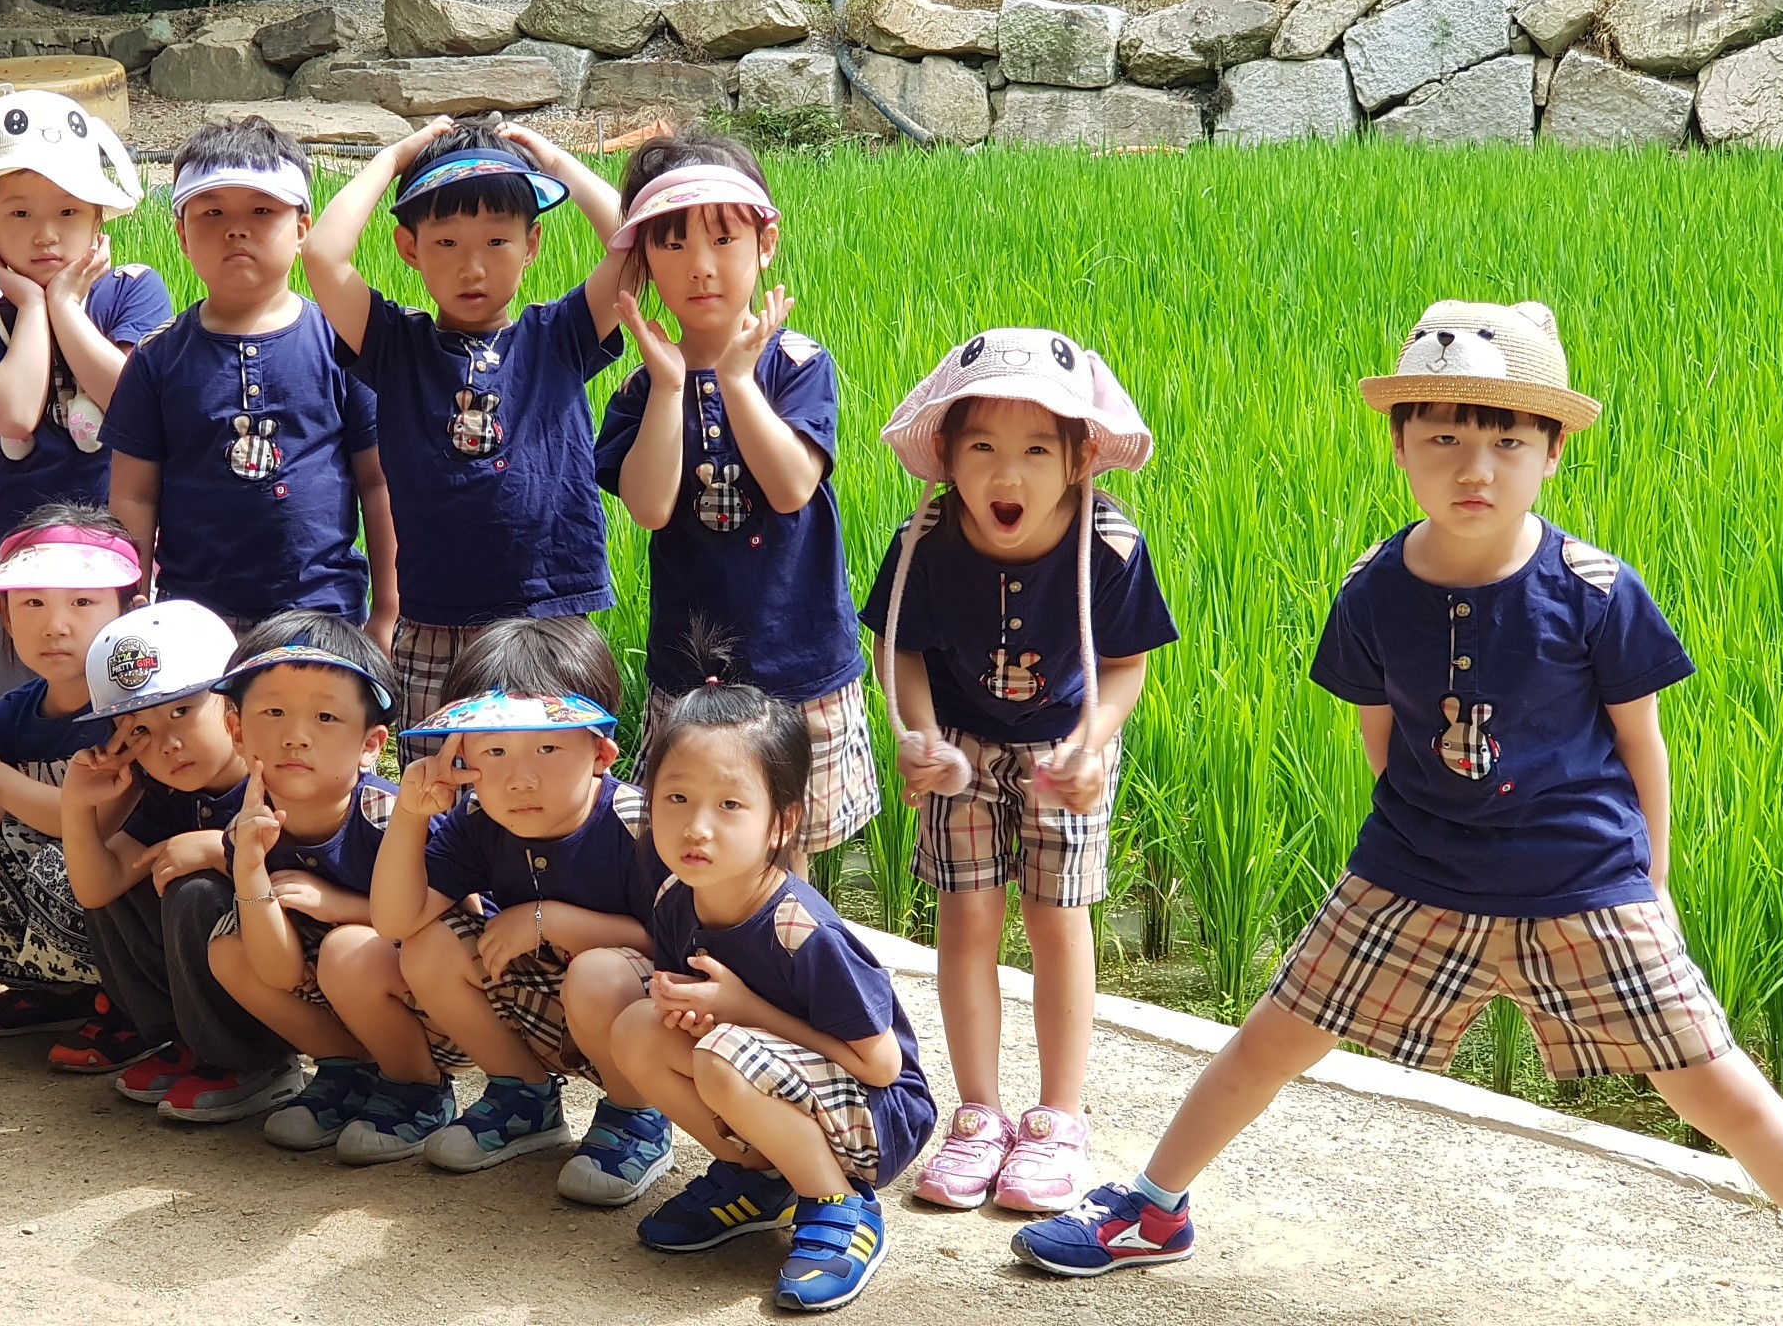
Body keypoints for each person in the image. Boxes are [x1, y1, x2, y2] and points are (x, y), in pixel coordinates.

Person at [1012, 302, 1783, 1275]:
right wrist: (1418, 852)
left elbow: (1639, 745)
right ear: (1400, 447)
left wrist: (1650, 883)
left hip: (1584, 880)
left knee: (1713, 1085)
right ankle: (1153, 1209)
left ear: (1552, 452)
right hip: (1412, 872)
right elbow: (1383, 738)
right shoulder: (1373, 589)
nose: (1475, 470)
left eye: (1507, 442)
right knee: (1272, 1038)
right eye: (1443, 440)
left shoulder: (1596, 590)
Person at [859, 328, 1175, 1214]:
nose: (1009, 475)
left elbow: (1126, 666)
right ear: (947, 456)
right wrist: (919, 736)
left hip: (1063, 749)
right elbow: (900, 650)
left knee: (1057, 921)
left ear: (1080, 459)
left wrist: (1093, 743)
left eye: (1037, 451)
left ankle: (1058, 1118)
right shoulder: (924, 541)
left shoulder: (1109, 546)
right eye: (983, 450)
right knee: (966, 919)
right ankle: (979, 1113)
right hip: (959, 743)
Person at [606, 661, 936, 1313]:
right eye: (676, 798)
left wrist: (741, 1009)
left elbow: (881, 1065)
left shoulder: (801, 930)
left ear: (782, 822)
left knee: (719, 1055)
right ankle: (761, 1179)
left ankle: (841, 1205)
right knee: (638, 1028)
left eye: (730, 805)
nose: (697, 827)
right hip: (780, 1080)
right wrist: (696, 1013)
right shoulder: (677, 899)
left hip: (877, 1115)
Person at [595, 127, 877, 867]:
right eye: (673, 245)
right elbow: (650, 506)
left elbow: (791, 487)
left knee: (787, 854)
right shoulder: (642, 388)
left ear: (765, 245)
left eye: (723, 240)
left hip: (797, 660)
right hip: (692, 672)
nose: (701, 266)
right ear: (644, 260)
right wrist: (669, 388)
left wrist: (738, 382)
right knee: (692, 852)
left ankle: (789, 946)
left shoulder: (797, 365)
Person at [303, 116, 628, 750]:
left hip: (548, 614)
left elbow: (630, 244)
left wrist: (555, 162)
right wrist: (393, 158)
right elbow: (322, 255)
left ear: (532, 244)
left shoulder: (558, 337)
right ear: (409, 249)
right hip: (435, 619)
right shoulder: (395, 346)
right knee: (436, 781)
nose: (472, 267)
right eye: (446, 242)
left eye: (498, 241)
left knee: (551, 781)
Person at [343, 618, 663, 1179]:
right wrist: (412, 815)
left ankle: (637, 1115)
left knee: (599, 975)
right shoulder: (477, 818)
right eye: (494, 750)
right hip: (541, 1001)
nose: (520, 779)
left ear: (601, 754)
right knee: (426, 945)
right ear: (461, 754)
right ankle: (524, 1097)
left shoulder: (638, 826)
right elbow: (395, 921)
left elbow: (668, 947)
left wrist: (548, 919)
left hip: (634, 1009)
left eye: (547, 747)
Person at [103, 116, 396, 642]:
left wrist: (388, 610)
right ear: (182, 235)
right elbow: (134, 497)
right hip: (194, 618)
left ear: (302, 229)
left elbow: (378, 481)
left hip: (321, 611)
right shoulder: (157, 358)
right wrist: (132, 608)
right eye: (212, 212)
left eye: (262, 211)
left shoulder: (344, 344)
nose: (236, 229)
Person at [0, 90, 171, 696]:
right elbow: (14, 416)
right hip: (17, 545)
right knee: (27, 700)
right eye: (19, 214)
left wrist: (64, 304)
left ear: (98, 219)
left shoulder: (133, 292)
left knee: (122, 698)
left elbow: (130, 403)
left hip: (118, 540)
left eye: (68, 212)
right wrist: (34, 308)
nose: (46, 235)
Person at [0, 507, 141, 1050]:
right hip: (63, 883)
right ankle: (52, 989)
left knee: (64, 862)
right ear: (7, 617)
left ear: (130, 612)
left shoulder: (135, 710)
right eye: (33, 603)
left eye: (82, 602)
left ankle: (130, 1004)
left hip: (125, 884)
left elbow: (91, 823)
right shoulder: (15, 711)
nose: (55, 625)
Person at [58, 601, 296, 1117]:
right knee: (122, 883)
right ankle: (188, 1042)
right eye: (138, 731)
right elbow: (97, 888)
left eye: (181, 712)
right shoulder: (170, 795)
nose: (166, 744)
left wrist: (220, 849)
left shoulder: (280, 776)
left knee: (196, 892)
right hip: (232, 976)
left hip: (297, 981)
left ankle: (249, 1061)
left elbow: (308, 877)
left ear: (233, 704)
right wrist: (76, 806)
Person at [202, 615, 400, 1146]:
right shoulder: (249, 826)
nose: (295, 736)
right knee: (229, 948)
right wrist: (249, 870)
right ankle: (346, 1068)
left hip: (427, 992)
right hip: (334, 990)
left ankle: (416, 1085)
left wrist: (342, 906)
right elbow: (279, 971)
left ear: (371, 743)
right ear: (237, 731)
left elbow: (455, 917)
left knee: (347, 947)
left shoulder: (392, 818)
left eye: (326, 716)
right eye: (273, 712)